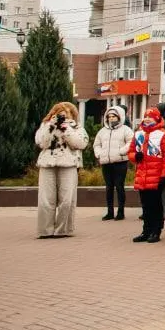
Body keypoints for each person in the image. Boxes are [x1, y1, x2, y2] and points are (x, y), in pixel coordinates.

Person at [34, 102, 88, 238]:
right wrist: (50, 127)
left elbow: (80, 144)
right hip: (47, 164)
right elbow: (41, 143)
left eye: (65, 114)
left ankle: (63, 230)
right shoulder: (45, 126)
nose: (61, 117)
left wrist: (66, 130)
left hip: (68, 164)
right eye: (58, 114)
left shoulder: (77, 127)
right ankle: (45, 230)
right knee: (46, 199)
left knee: (67, 199)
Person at [130, 105, 165, 243]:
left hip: (157, 175)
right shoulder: (138, 133)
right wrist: (135, 156)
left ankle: (156, 231)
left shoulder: (163, 134)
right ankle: (146, 230)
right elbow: (130, 152)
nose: (147, 119)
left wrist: (164, 175)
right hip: (142, 175)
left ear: (157, 118)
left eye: (150, 117)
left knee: (156, 205)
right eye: (146, 116)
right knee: (145, 205)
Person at [94, 105, 132, 221]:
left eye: (114, 116)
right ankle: (109, 212)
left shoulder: (126, 129)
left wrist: (122, 151)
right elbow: (97, 144)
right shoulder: (102, 131)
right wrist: (99, 154)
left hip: (120, 162)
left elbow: (131, 141)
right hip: (106, 162)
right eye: (109, 116)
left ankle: (121, 211)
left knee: (119, 186)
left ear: (119, 117)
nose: (111, 118)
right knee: (109, 187)